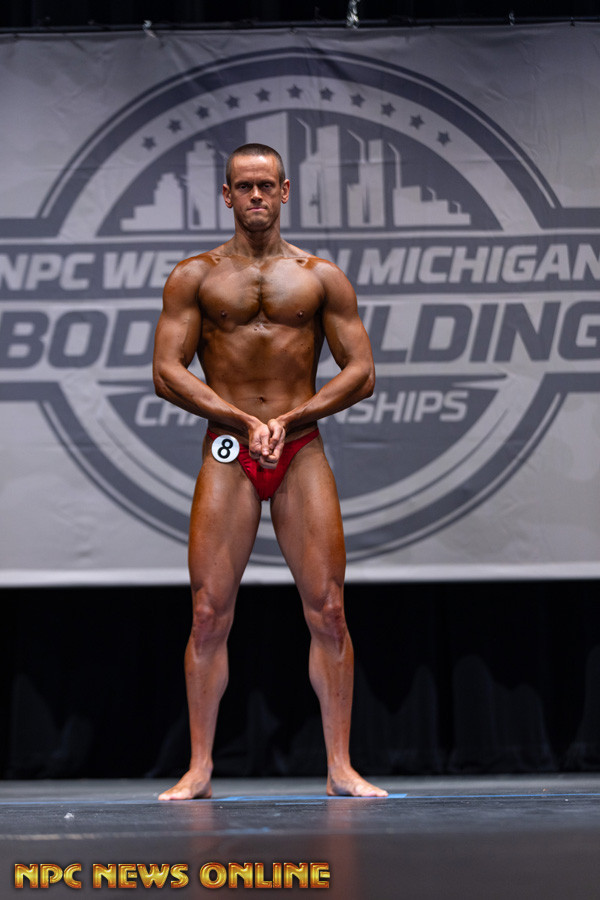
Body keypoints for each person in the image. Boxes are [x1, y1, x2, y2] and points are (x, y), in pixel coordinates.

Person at [152, 143, 387, 800]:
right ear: (226, 195)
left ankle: (339, 766)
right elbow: (166, 371)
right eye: (243, 186)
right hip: (229, 449)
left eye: (265, 185)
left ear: (285, 192)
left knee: (330, 610)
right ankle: (200, 767)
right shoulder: (194, 277)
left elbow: (362, 372)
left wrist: (290, 417)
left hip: (299, 446)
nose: (255, 196)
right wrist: (238, 418)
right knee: (207, 614)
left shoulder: (321, 277)